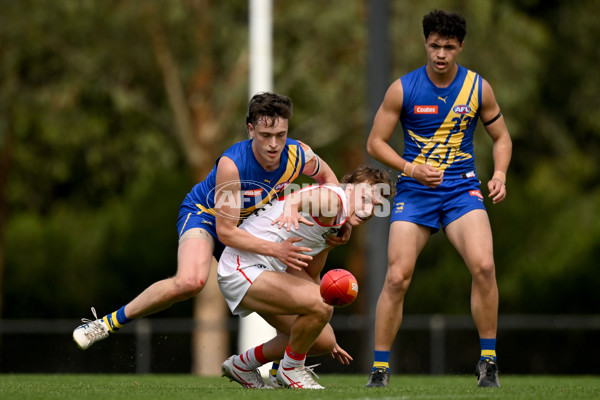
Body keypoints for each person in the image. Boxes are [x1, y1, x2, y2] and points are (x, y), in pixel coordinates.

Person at [73, 92, 346, 350]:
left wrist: (338, 223)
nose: (274, 144)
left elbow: (330, 183)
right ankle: (106, 323)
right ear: (250, 130)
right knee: (190, 282)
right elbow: (225, 233)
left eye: (280, 135)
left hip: (248, 228)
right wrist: (276, 250)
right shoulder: (233, 164)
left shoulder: (299, 154)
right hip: (206, 216)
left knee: (320, 338)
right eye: (265, 135)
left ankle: (261, 369)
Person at [364, 10, 512, 388]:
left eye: (448, 46)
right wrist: (410, 169)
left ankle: (489, 361)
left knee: (484, 267)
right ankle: (380, 368)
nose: (440, 53)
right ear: (425, 44)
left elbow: (502, 139)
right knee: (397, 277)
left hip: (462, 190)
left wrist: (498, 175)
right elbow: (375, 143)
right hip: (415, 193)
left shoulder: (478, 88)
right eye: (434, 45)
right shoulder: (404, 88)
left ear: (460, 46)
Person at [218, 165, 393, 389]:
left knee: (323, 339)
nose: (368, 210)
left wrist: (316, 322)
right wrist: (291, 209)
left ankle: (242, 365)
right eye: (365, 199)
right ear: (349, 188)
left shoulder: (338, 223)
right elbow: (303, 199)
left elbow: (310, 274)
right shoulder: (332, 200)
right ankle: (291, 370)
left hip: (266, 270)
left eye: (376, 206)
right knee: (322, 304)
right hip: (242, 266)